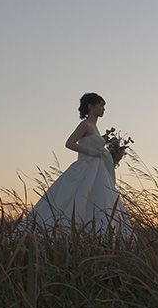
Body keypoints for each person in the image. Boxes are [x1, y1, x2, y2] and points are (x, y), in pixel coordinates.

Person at [22, 92, 132, 238]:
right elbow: (69, 143)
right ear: (91, 106)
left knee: (99, 199)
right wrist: (90, 151)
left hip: (98, 169)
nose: (103, 109)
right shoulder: (85, 124)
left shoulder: (95, 127)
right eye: (101, 105)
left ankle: (97, 234)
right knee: (79, 196)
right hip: (86, 167)